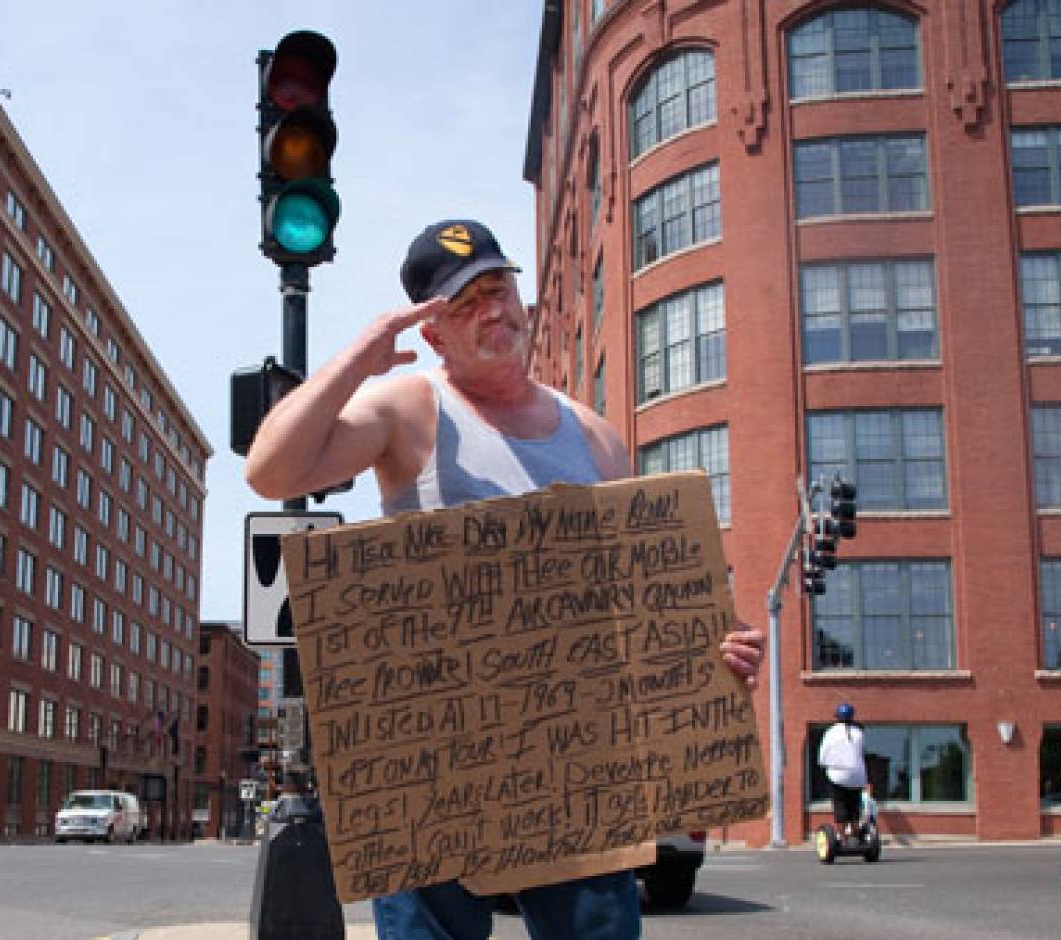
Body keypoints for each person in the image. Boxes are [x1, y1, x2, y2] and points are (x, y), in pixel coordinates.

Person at [244, 219, 766, 940]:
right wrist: (360, 359)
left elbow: (649, 590)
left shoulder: (594, 436)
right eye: (464, 303)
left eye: (500, 287)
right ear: (433, 335)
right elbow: (270, 471)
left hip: (578, 761)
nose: (493, 309)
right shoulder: (411, 410)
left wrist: (714, 648)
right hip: (430, 762)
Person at [816, 702, 867, 842]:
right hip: (857, 776)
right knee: (854, 804)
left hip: (837, 775)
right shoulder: (859, 733)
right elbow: (861, 751)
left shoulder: (831, 732)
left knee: (839, 803)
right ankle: (856, 833)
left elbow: (822, 755)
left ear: (837, 716)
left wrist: (823, 764)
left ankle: (842, 836)